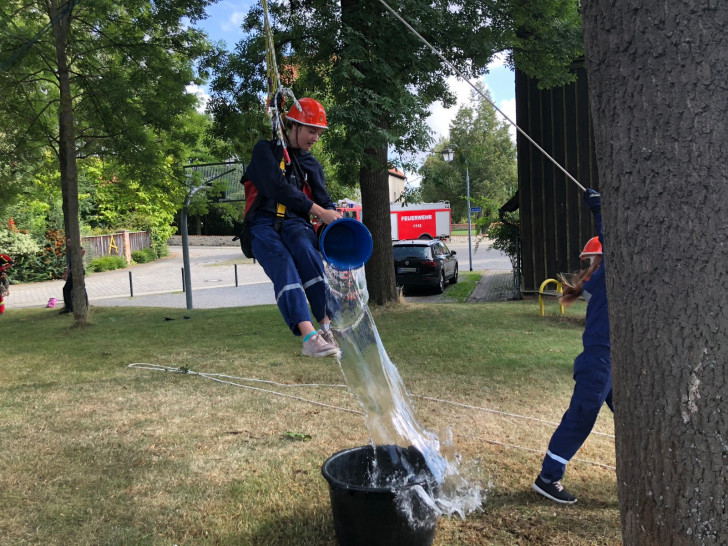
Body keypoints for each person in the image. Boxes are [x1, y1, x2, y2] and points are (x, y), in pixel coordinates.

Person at [243, 97, 343, 357]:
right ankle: (309, 337)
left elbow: (324, 201)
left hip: (297, 224)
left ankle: (326, 326)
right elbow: (275, 186)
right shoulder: (266, 151)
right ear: (293, 125)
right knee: (284, 265)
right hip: (262, 225)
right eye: (312, 131)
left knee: (307, 253)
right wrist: (318, 211)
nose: (316, 139)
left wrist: (335, 219)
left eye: (319, 133)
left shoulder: (310, 165)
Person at [532, 188, 612, 504]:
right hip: (600, 361)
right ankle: (548, 478)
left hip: (610, 360)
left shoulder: (597, 280)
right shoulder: (604, 277)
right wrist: (598, 211)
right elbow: (612, 240)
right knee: (581, 417)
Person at [60, 237, 88, 315]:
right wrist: (66, 273)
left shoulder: (77, 248)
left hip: (78, 272)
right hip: (72, 272)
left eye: (70, 242)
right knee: (66, 289)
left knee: (80, 288)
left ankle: (82, 306)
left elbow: (83, 251)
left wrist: (77, 258)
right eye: (67, 243)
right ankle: (69, 307)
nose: (68, 244)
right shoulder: (70, 251)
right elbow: (70, 264)